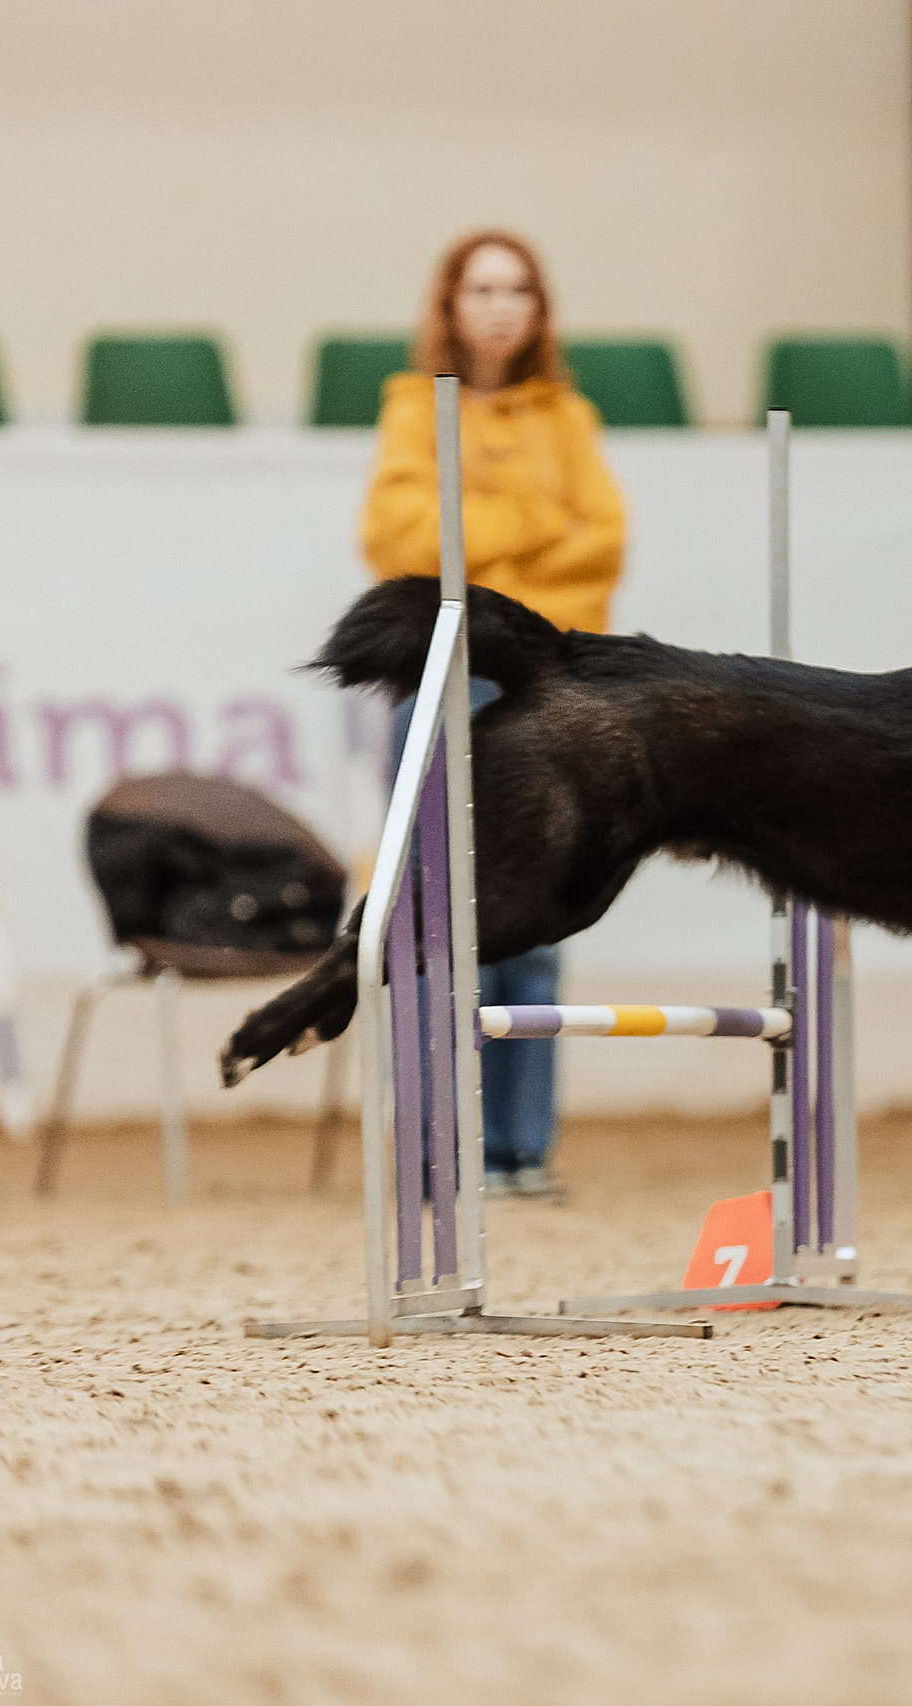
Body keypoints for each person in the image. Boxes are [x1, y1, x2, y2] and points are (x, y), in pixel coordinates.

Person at [360, 229, 626, 1193]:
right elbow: (401, 541)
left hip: (543, 691)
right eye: (481, 288)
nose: (500, 306)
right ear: (450, 303)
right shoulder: (408, 411)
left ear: (538, 307)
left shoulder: (571, 416)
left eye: (518, 288)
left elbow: (604, 547)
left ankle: (524, 1151)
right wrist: (531, 527)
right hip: (440, 682)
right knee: (438, 928)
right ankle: (445, 1151)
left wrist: (481, 543)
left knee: (537, 932)